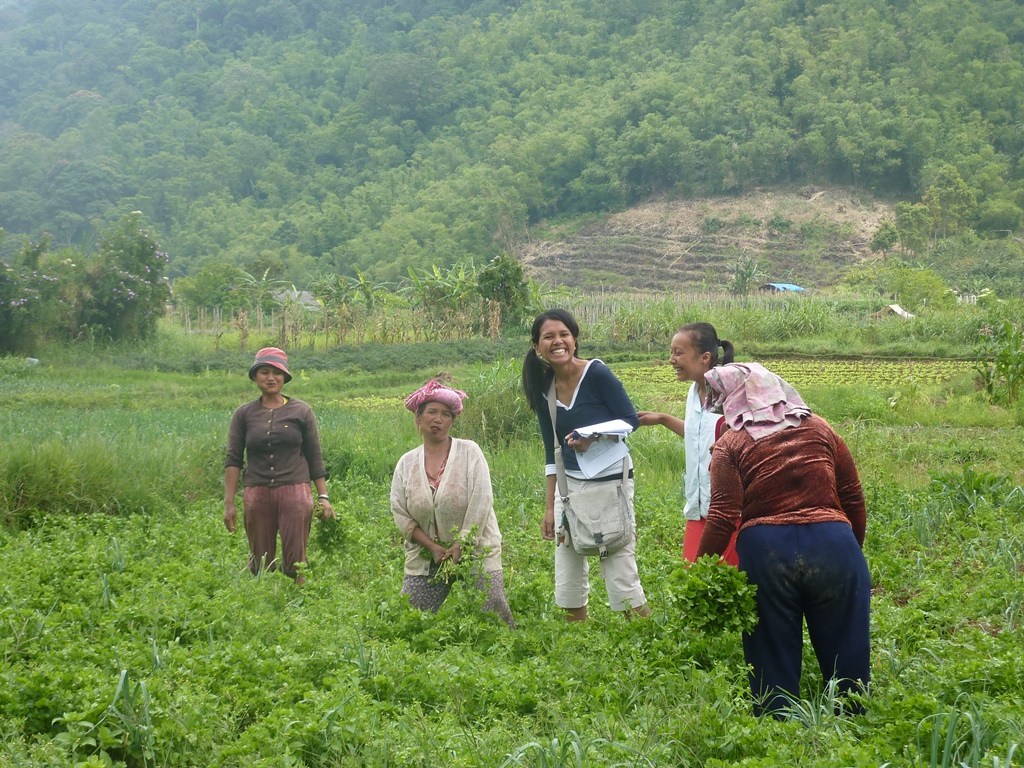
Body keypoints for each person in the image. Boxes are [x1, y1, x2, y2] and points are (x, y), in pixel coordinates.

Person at [696, 362, 870, 717]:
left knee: (770, 645)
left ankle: (779, 722)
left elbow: (723, 516)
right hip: (834, 542)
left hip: (767, 551)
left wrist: (700, 569)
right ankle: (851, 717)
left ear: (731, 401)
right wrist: (852, 551)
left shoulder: (731, 443)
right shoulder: (820, 428)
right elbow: (852, 495)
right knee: (846, 643)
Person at [521, 308, 650, 621]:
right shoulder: (543, 389)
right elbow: (551, 451)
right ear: (538, 348)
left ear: (575, 340)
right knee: (568, 560)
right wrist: (549, 507)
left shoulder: (596, 373)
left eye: (563, 334)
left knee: (618, 554)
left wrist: (594, 435)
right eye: (548, 337)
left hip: (611, 481)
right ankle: (577, 637)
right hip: (569, 486)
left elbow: (630, 419)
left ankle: (643, 634)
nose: (557, 341)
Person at [390, 380, 515, 628]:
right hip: (427, 555)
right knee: (411, 620)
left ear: (452, 421)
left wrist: (462, 543)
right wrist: (433, 547)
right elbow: (400, 512)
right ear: (418, 419)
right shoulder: (406, 463)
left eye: (445, 415)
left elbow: (481, 501)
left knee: (493, 616)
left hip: (476, 548)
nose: (438, 419)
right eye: (431, 412)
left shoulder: (470, 452)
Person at [224, 347, 335, 584]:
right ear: (255, 377)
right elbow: (233, 459)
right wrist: (229, 503)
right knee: (260, 558)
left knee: (296, 557)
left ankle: (298, 601)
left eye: (277, 373)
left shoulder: (301, 411)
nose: (271, 377)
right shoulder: (243, 414)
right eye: (264, 372)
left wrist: (323, 496)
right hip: (256, 492)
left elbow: (314, 457)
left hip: (295, 490)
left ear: (285, 377)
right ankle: (265, 602)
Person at [637, 322, 740, 566]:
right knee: (694, 579)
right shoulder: (694, 391)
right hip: (698, 507)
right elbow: (699, 436)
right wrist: (662, 419)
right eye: (671, 352)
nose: (671, 359)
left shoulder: (732, 393)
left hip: (730, 512)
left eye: (678, 352)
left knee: (727, 585)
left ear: (705, 357)